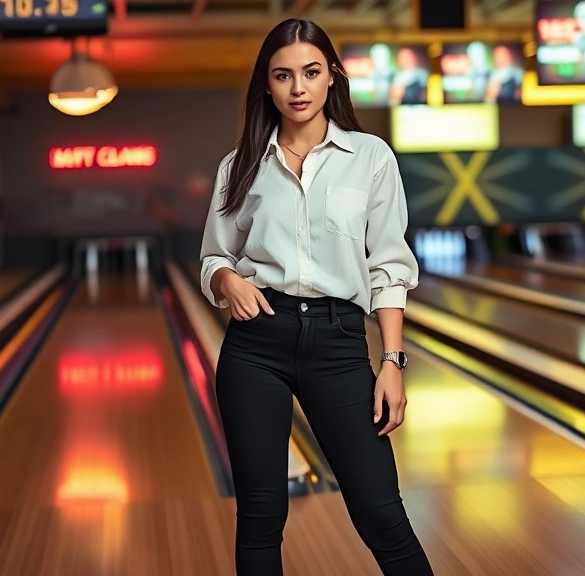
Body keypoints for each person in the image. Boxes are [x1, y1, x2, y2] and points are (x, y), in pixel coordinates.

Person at [199, 18, 433, 576]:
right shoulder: (239, 166)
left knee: (381, 512)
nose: (298, 88)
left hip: (339, 342)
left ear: (332, 77)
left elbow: (389, 267)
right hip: (257, 345)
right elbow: (215, 257)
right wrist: (226, 281)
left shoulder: (371, 157)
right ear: (267, 86)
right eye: (283, 76)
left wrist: (392, 361)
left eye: (310, 72)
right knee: (260, 516)